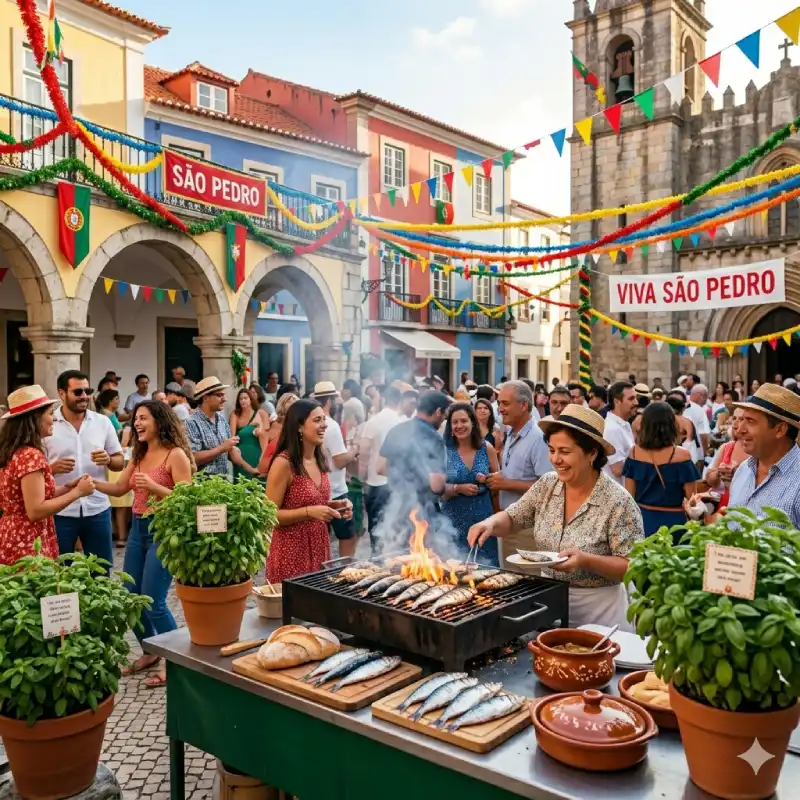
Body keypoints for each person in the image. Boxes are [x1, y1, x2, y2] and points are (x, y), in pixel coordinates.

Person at [468, 405, 644, 630]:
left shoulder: (618, 502)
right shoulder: (547, 484)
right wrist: (489, 524)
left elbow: (631, 565)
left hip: (600, 610)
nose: (556, 459)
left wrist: (586, 560)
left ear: (592, 453)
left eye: (565, 452)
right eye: (552, 450)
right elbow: (514, 518)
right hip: (550, 602)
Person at [94, 401, 193, 687]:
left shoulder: (175, 455)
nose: (136, 423)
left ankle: (176, 661)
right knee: (130, 599)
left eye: (143, 418)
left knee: (153, 601)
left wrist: (154, 488)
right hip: (138, 529)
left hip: (162, 529)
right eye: (135, 418)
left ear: (159, 421)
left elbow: (185, 500)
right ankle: (150, 651)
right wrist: (89, 484)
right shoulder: (139, 455)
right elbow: (119, 487)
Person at [0, 386, 95, 565]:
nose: (54, 419)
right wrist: (78, 493)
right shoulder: (31, 455)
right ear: (35, 418)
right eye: (50, 414)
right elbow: (35, 510)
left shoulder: (12, 452)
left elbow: (27, 497)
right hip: (28, 541)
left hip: (11, 534)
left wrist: (68, 487)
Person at [266, 400, 352, 582]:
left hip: (319, 546)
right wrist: (309, 512)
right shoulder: (284, 463)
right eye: (317, 420)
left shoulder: (319, 459)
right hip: (291, 552)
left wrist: (333, 506)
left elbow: (308, 502)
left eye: (324, 419)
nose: (324, 425)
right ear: (299, 426)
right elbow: (269, 515)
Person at [45, 370, 124, 567]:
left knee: (101, 570)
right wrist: (52, 468)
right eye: (78, 392)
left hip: (97, 507)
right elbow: (35, 470)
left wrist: (108, 459)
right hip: (60, 509)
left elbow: (119, 461)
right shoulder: (48, 424)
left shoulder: (102, 422)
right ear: (62, 394)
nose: (85, 397)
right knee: (59, 571)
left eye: (87, 391)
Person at [483, 381, 551, 562]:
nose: (499, 409)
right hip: (511, 524)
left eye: (505, 403)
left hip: (527, 529)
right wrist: (498, 478)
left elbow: (549, 487)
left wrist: (507, 484)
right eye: (499, 404)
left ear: (523, 405)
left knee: (528, 585)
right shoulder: (512, 434)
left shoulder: (538, 438)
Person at [716, 384, 800, 525]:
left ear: (780, 429)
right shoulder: (743, 470)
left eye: (750, 421)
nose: (740, 429)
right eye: (742, 420)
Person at [622, 402, 700, 541]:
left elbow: (629, 497)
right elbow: (692, 500)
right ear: (671, 425)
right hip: (674, 523)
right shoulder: (682, 455)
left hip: (643, 520)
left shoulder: (634, 453)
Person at [379, 391, 449, 538]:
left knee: (397, 553)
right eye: (444, 415)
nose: (443, 420)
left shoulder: (397, 430)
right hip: (423, 511)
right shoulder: (433, 437)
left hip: (395, 505)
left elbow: (380, 468)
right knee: (423, 555)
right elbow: (436, 484)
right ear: (438, 412)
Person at [442, 403, 499, 565]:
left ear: (472, 422)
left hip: (483, 519)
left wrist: (488, 479)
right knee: (455, 569)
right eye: (455, 422)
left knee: (488, 569)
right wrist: (457, 488)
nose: (459, 426)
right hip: (453, 521)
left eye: (463, 421)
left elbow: (497, 483)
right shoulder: (444, 450)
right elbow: (434, 488)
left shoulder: (486, 448)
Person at [314, 382, 358, 558]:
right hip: (336, 491)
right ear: (330, 402)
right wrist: (354, 451)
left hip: (318, 489)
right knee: (348, 536)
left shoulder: (311, 422)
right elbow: (339, 461)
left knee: (320, 536)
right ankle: (343, 570)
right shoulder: (330, 425)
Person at [359, 385, 403, 554]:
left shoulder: (372, 422)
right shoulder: (401, 422)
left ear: (384, 399)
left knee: (376, 531)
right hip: (396, 484)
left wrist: (361, 478)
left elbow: (363, 454)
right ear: (399, 401)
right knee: (396, 531)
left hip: (374, 484)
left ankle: (377, 560)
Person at [185, 377, 241, 477]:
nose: (225, 399)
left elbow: (228, 451)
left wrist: (233, 450)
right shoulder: (192, 422)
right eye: (219, 395)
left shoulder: (222, 420)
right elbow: (193, 458)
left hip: (224, 483)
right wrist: (222, 448)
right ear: (205, 397)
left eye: (224, 395)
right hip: (203, 486)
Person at [705, 407, 746, 512]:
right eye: (734, 418)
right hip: (724, 506)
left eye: (741, 419)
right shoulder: (727, 447)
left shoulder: (759, 450)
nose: (736, 422)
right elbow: (709, 479)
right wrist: (719, 472)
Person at [230, 388, 269, 482]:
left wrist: (259, 427)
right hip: (241, 456)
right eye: (240, 399)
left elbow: (266, 435)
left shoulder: (261, 413)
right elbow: (232, 436)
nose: (243, 401)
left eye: (245, 398)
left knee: (259, 485)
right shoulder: (235, 414)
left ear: (251, 399)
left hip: (257, 453)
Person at [602, 381, 637, 485]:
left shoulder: (624, 424)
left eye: (635, 398)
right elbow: (618, 469)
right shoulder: (612, 428)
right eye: (631, 399)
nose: (636, 402)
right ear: (617, 401)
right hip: (616, 494)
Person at [258, 392, 298, 476]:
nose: (292, 400)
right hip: (269, 467)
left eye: (294, 399)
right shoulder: (273, 423)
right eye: (289, 400)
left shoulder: (297, 427)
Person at [666, 391, 701, 466]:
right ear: (682, 408)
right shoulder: (686, 422)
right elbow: (691, 450)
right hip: (681, 463)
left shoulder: (657, 420)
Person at [685, 384, 711, 469]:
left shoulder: (683, 407)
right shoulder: (700, 411)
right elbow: (703, 435)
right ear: (699, 395)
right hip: (695, 454)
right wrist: (704, 454)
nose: (705, 400)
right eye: (705, 397)